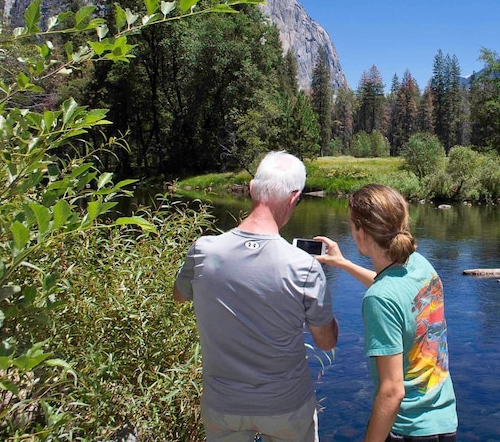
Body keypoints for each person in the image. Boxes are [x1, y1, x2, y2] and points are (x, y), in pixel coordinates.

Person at [173, 151, 338, 442]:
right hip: (286, 405)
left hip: (223, 403)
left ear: (251, 188)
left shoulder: (203, 250)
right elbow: (326, 342)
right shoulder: (303, 266)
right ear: (293, 198)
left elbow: (179, 295)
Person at [315, 184, 457, 442]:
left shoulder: (379, 299)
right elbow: (394, 290)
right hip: (444, 422)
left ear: (361, 233)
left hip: (408, 430)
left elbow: (392, 391)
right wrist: (343, 263)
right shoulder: (419, 265)